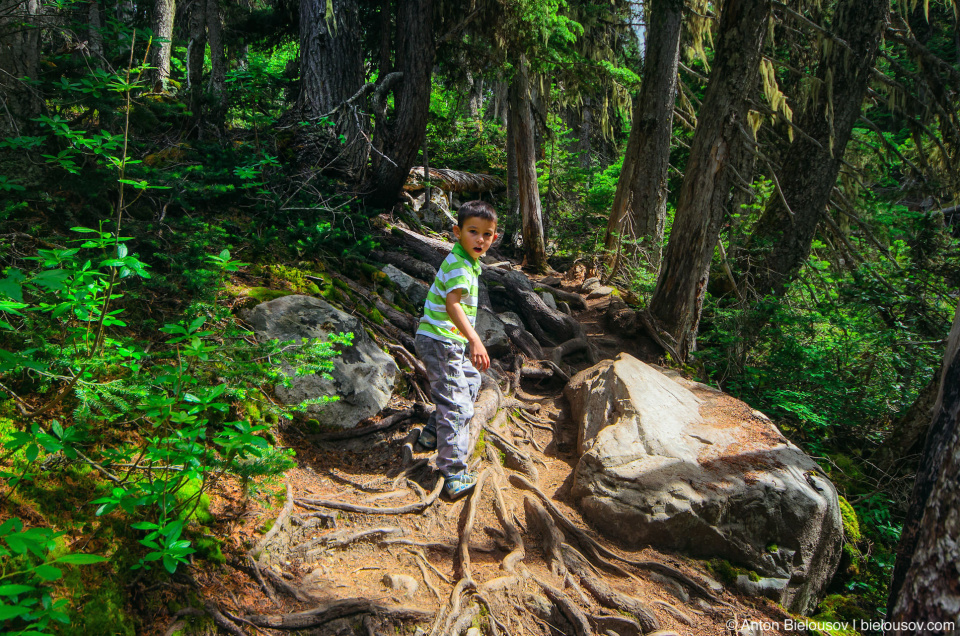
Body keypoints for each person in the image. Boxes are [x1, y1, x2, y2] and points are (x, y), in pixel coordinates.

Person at [414, 200, 498, 499]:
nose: (480, 239)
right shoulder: (461, 266)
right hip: (441, 341)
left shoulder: (467, 262)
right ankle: (454, 473)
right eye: (473, 232)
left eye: (486, 234)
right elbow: (453, 305)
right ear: (457, 232)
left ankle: (433, 433)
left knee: (472, 381)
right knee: (457, 405)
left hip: (447, 341)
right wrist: (475, 340)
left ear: (494, 237)